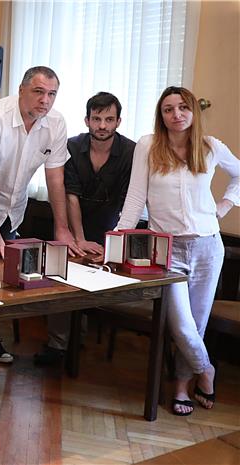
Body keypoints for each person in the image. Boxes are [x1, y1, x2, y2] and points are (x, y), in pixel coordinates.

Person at [116, 86, 239, 416]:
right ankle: (207, 370)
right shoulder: (148, 146)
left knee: (195, 325)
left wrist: (225, 204)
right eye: (168, 109)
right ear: (161, 115)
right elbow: (134, 198)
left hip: (208, 247)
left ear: (193, 112)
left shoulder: (211, 147)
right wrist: (116, 238)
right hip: (165, 249)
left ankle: (182, 386)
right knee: (181, 326)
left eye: (183, 107)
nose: (176, 114)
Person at [0, 66, 83, 377]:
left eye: (52, 94)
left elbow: (55, 177)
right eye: (39, 92)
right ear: (21, 90)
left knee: (2, 278)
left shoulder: (56, 122)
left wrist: (62, 228)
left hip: (14, 209)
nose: (46, 100)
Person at [33, 92, 136, 366]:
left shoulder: (131, 152)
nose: (102, 125)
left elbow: (131, 200)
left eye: (109, 119)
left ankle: (83, 339)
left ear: (118, 121)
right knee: (60, 280)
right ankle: (58, 346)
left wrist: (113, 242)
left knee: (97, 285)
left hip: (112, 227)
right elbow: (71, 195)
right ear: (87, 120)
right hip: (71, 225)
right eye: (97, 119)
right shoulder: (71, 146)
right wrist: (78, 239)